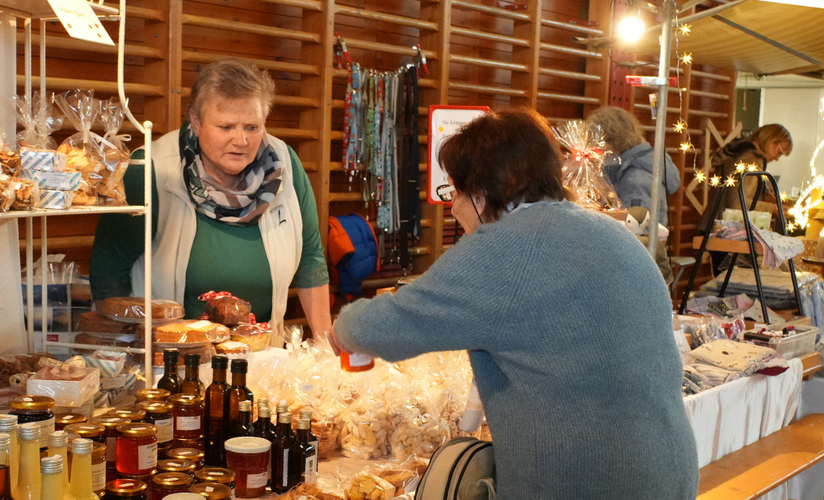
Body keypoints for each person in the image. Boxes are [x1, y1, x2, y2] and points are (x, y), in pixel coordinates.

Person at [327, 109, 698, 499]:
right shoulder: (612, 232)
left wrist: (345, 326)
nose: (452, 206)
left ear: (483, 192)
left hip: (588, 482)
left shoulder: (504, 246)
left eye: (455, 192)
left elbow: (388, 327)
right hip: (669, 471)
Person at [89, 59, 331, 339]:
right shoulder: (150, 168)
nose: (241, 141)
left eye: (252, 127)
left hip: (261, 349)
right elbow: (109, 267)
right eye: (226, 127)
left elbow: (311, 259)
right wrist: (124, 344)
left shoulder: (285, 164)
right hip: (170, 354)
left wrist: (326, 347)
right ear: (196, 120)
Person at [698, 124, 792, 274]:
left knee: (725, 284)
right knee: (737, 286)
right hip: (729, 232)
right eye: (779, 152)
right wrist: (772, 209)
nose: (776, 158)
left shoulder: (736, 153)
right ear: (770, 140)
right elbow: (737, 202)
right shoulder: (750, 160)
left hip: (715, 227)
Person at [587, 105, 681, 226]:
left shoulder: (636, 179)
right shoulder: (628, 168)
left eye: (598, 143)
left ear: (613, 141)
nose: (596, 150)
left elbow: (637, 229)